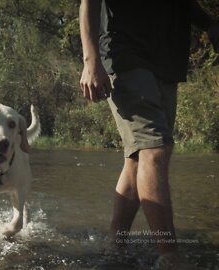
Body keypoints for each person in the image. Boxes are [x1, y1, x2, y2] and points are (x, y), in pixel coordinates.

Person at [79, 0, 219, 268]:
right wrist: (90, 58)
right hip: (125, 56)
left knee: (138, 158)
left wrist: (210, 24)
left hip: (167, 64)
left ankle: (115, 246)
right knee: (155, 149)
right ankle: (170, 256)